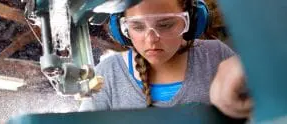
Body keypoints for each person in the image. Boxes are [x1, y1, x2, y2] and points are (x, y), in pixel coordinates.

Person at [79, 0, 252, 119]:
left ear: (191, 21)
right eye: (137, 26)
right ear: (121, 28)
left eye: (165, 25)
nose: (151, 40)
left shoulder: (215, 56)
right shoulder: (108, 74)